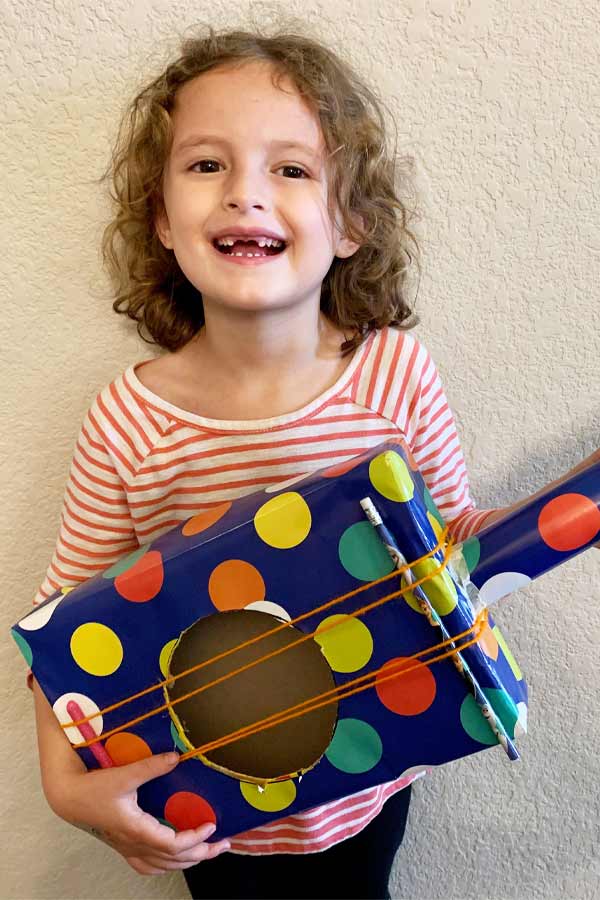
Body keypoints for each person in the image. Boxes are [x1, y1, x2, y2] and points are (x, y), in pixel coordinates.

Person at [27, 22, 599, 900]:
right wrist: (68, 790)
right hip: (214, 828)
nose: (244, 194)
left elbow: (454, 542)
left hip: (365, 794)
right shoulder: (130, 422)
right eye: (206, 165)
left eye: (291, 169)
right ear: (161, 219)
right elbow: (59, 623)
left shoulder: (393, 373)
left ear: (351, 225)